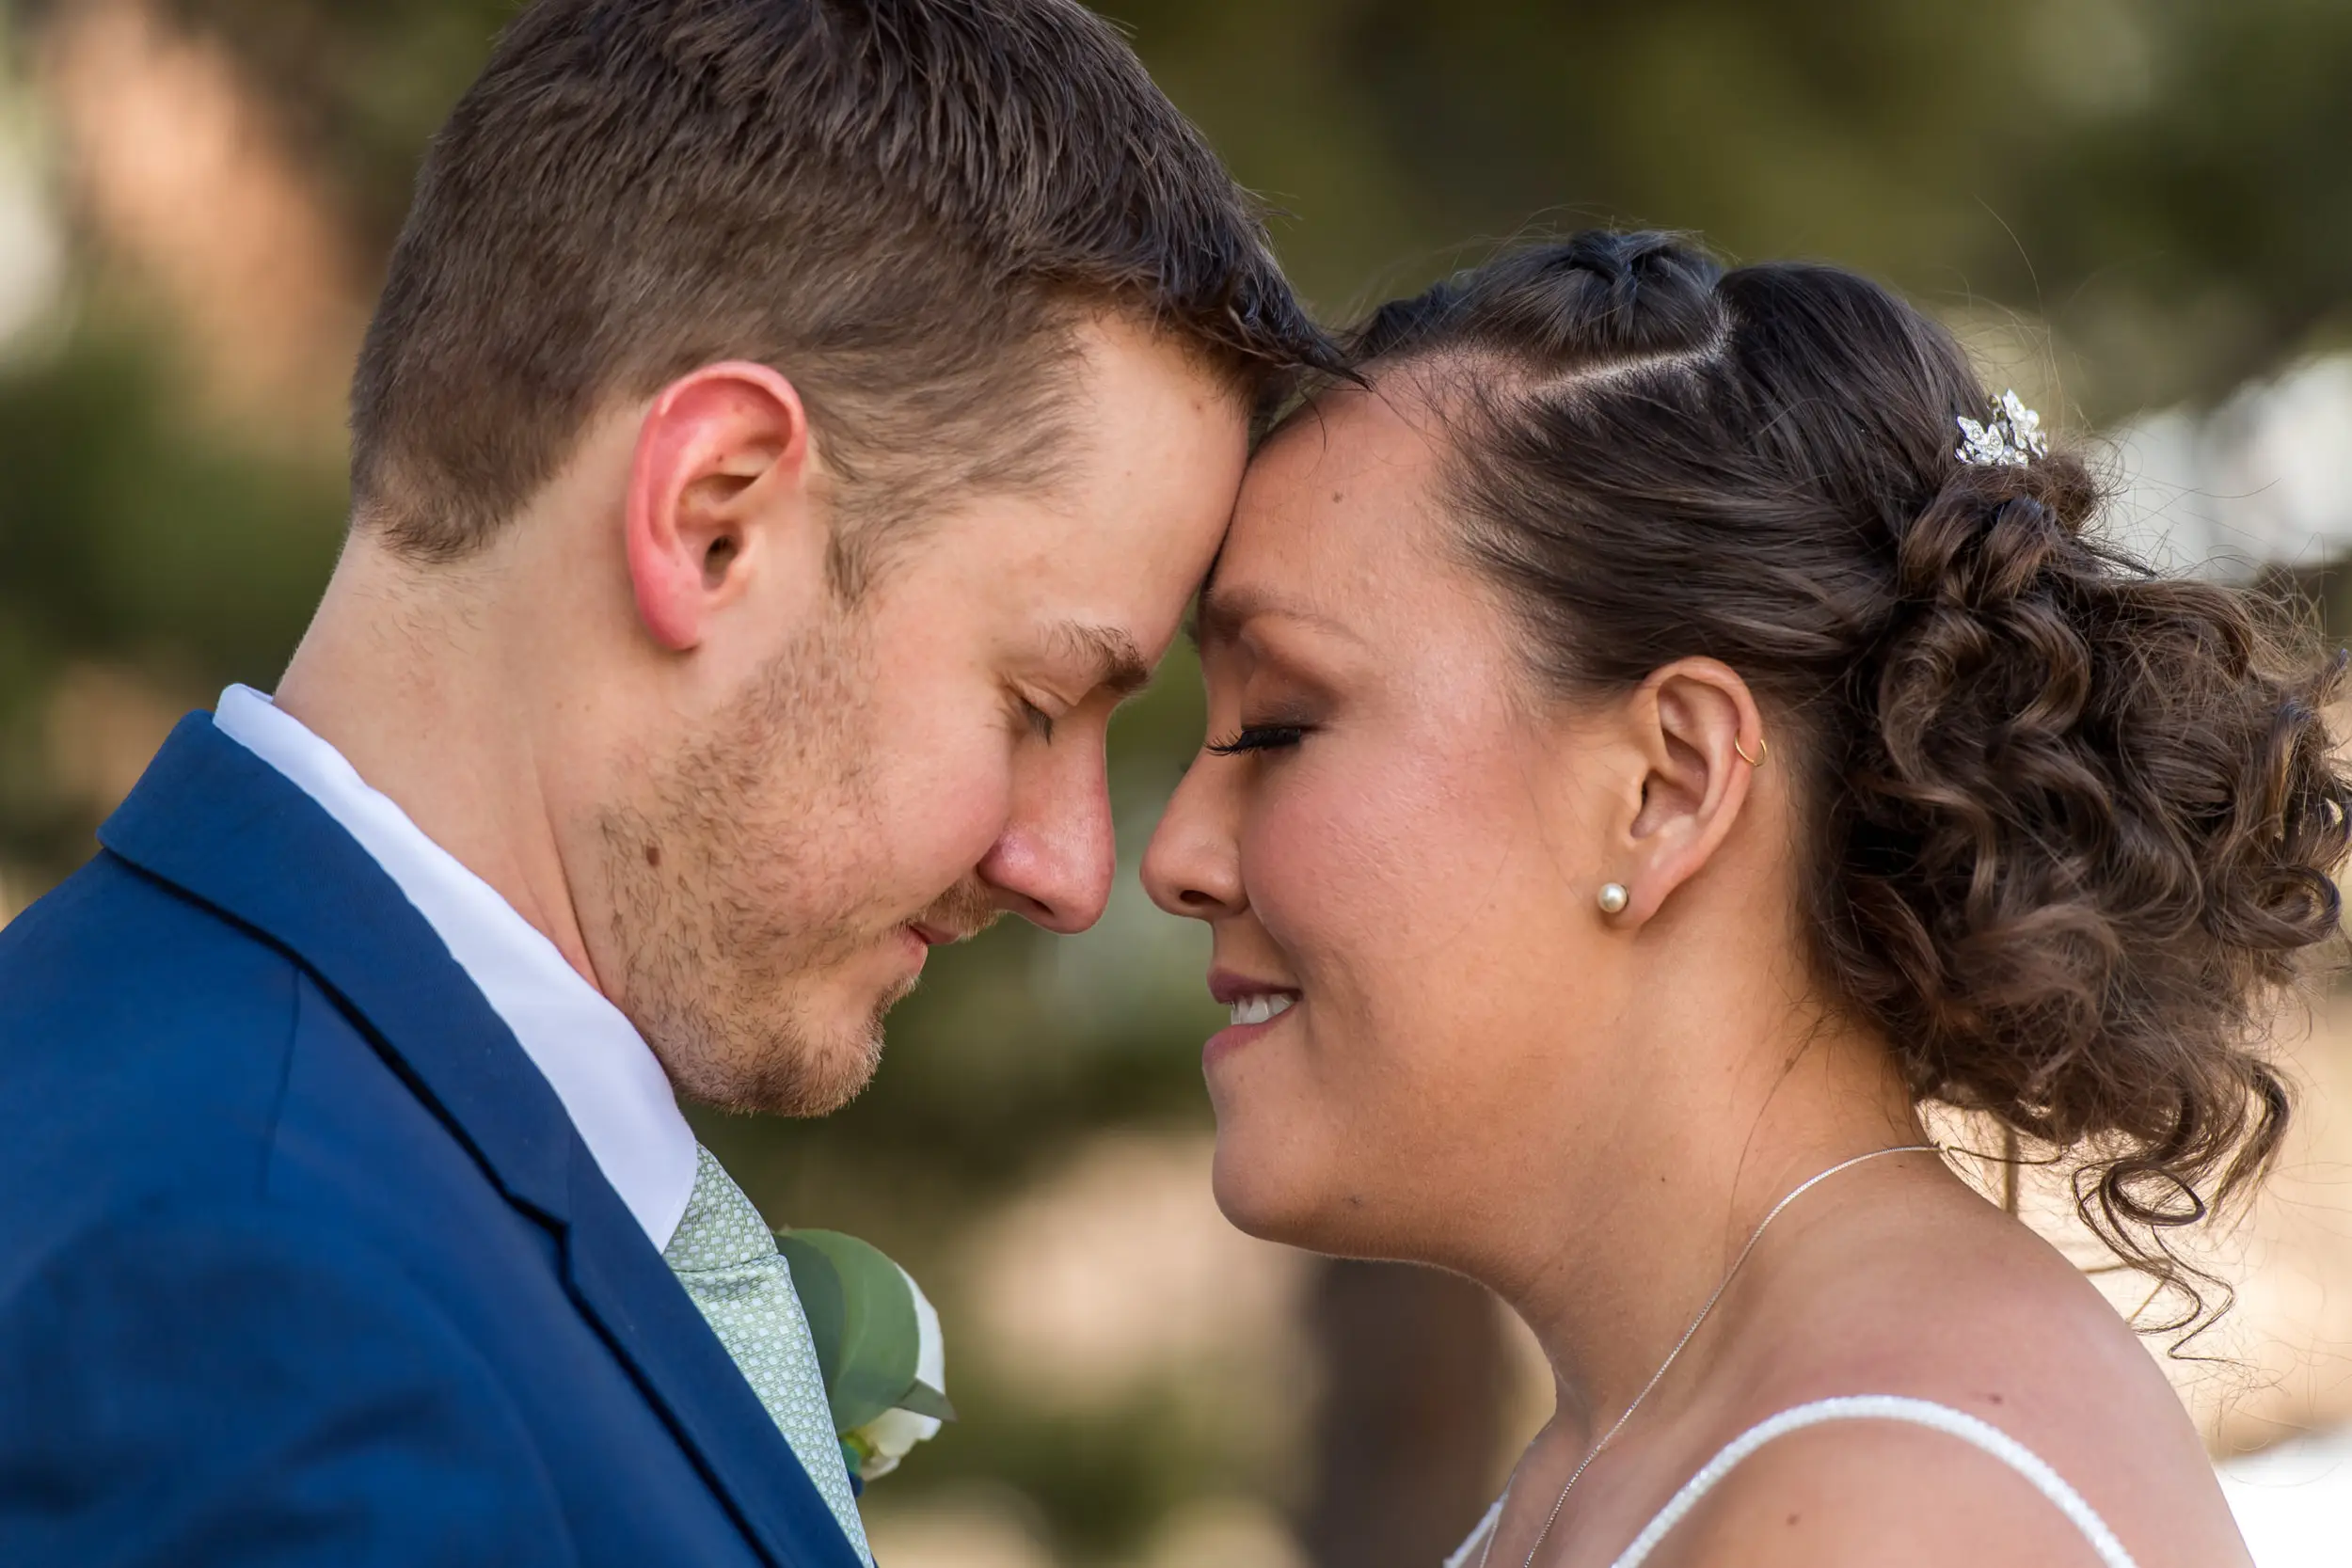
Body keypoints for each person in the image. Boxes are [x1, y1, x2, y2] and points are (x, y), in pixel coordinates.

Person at [0, 2, 1333, 1563]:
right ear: (714, 518)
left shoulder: (204, 1109)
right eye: (1039, 702)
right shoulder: (258, 1302)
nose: (1074, 868)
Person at [1144, 230, 2348, 1568]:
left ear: (1668, 784)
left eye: (1280, 726)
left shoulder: (1881, 1510)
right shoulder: (1660, 1442)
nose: (1174, 854)